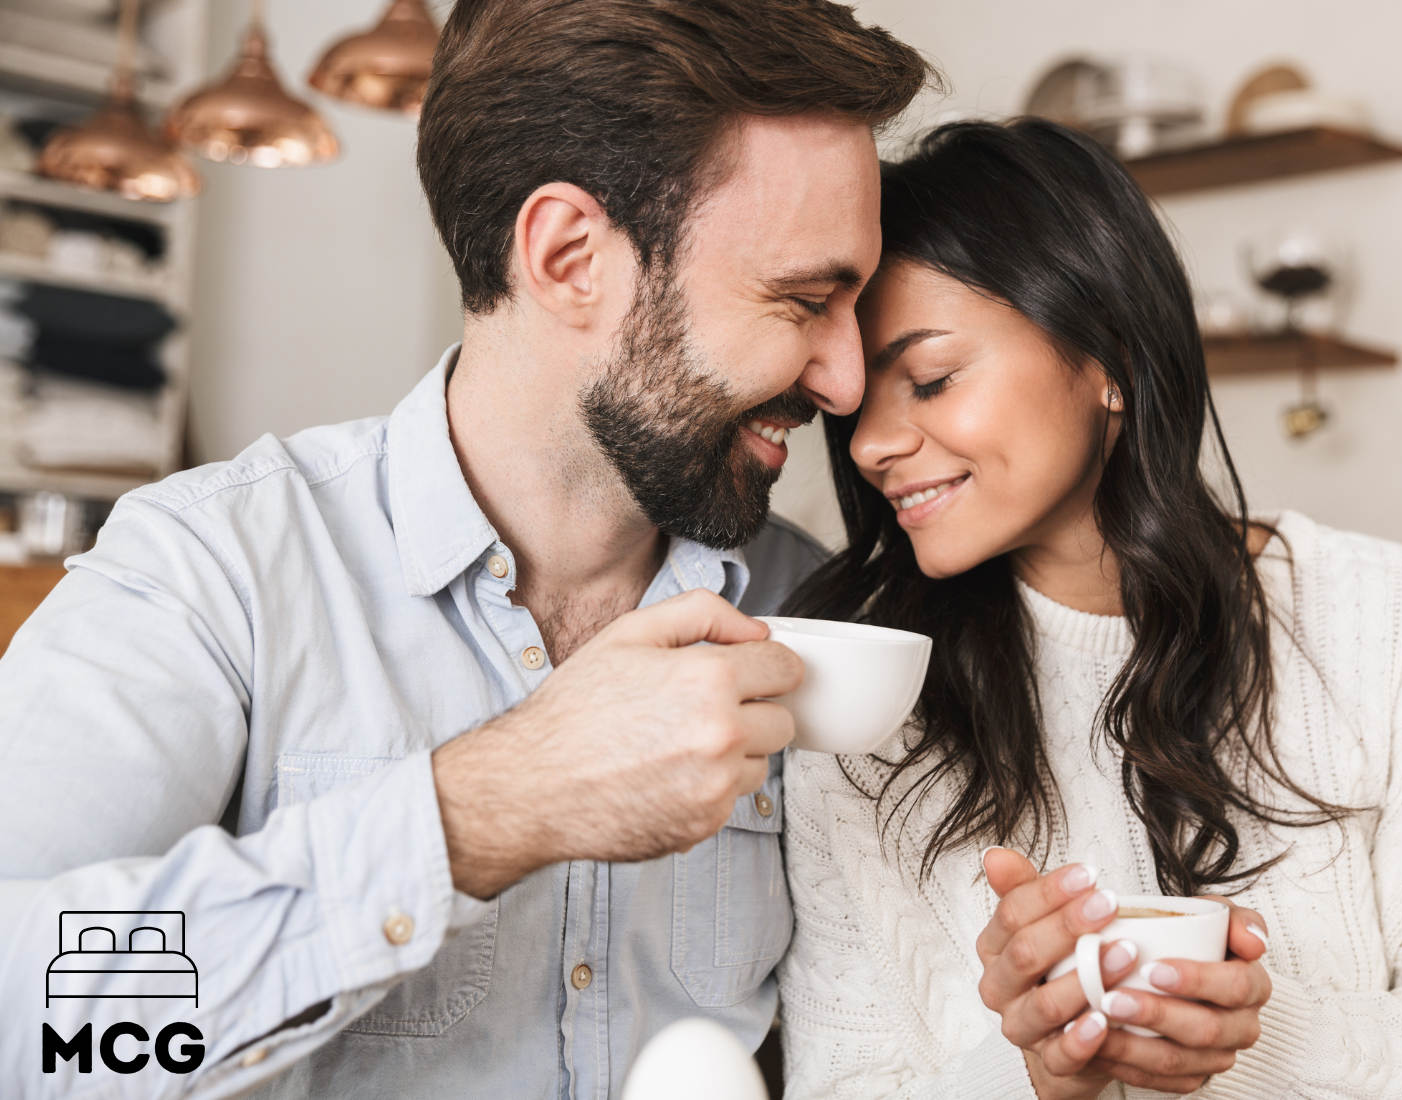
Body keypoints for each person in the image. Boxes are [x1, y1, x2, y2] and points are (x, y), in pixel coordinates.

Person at [0, 2, 930, 1095]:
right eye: (803, 299)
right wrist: (479, 810)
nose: (844, 379)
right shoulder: (214, 571)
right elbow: (20, 1027)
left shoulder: (809, 602)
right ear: (570, 255)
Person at [777, 119, 1402, 1098]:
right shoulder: (867, 702)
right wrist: (1032, 1072)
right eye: (854, 407)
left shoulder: (1401, 625)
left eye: (930, 379)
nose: (869, 446)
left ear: (1105, 352)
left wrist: (1245, 1027)